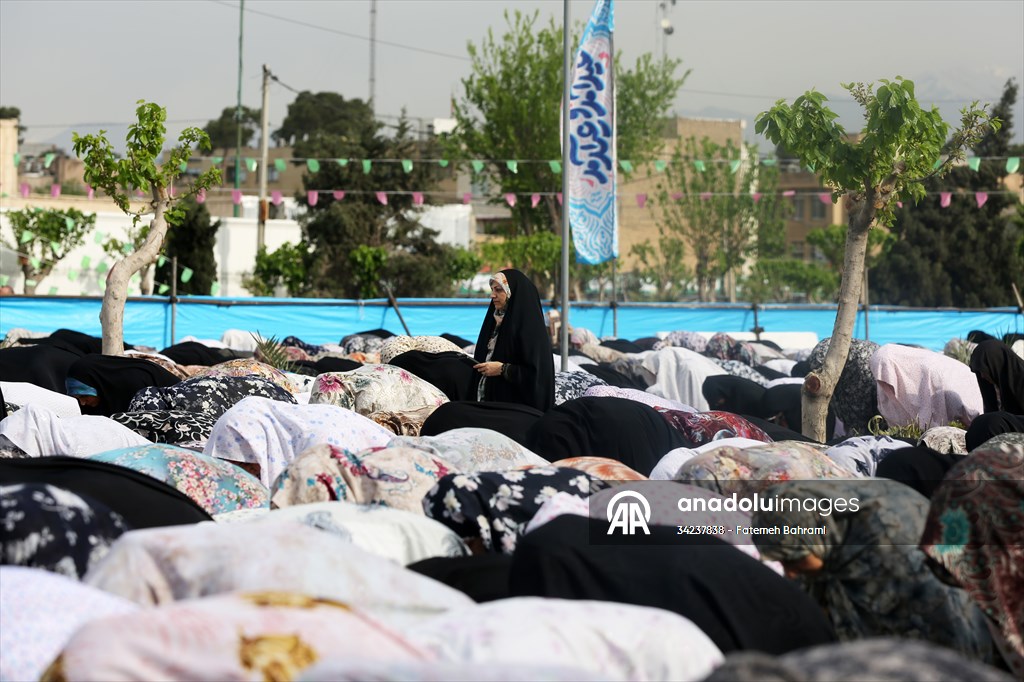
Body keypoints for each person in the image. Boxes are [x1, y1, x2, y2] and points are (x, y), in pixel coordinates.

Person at [472, 269, 554, 412]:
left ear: (512, 292)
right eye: (492, 289)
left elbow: (538, 375)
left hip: (518, 409)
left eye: (498, 290)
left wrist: (503, 369)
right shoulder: (493, 322)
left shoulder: (530, 328)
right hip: (488, 403)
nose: (493, 295)